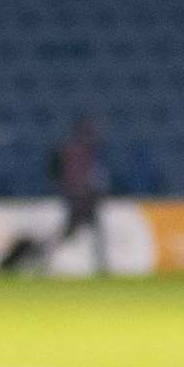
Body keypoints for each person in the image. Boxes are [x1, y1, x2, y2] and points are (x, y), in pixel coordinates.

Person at [49, 115, 109, 275]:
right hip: (79, 198)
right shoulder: (74, 152)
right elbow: (60, 173)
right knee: (70, 232)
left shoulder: (83, 151)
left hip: (84, 198)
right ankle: (46, 259)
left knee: (93, 232)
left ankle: (102, 265)